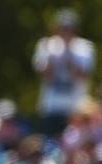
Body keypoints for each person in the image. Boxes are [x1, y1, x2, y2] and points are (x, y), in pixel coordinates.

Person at [32, 8, 96, 136]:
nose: (66, 32)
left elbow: (83, 75)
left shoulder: (85, 47)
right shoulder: (45, 45)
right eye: (62, 28)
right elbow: (45, 74)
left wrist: (68, 54)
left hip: (76, 109)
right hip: (51, 107)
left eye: (69, 28)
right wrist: (53, 56)